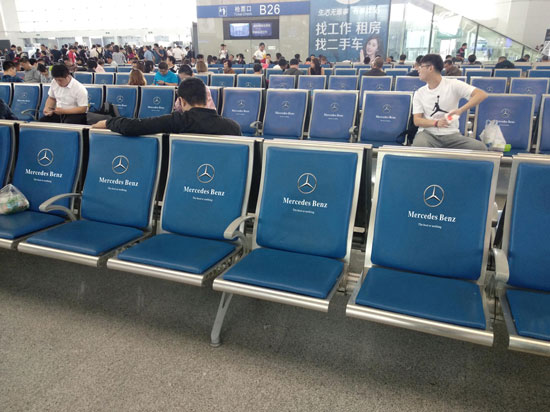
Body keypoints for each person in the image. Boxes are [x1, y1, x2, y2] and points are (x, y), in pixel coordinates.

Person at [92, 77, 240, 136]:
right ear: (206, 98)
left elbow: (134, 126)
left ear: (182, 101)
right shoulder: (232, 127)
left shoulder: (176, 122)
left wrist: (108, 122)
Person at [412, 54, 487, 150]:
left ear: (430, 68)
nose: (418, 70)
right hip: (428, 134)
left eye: (421, 67)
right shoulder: (420, 93)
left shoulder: (453, 84)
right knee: (419, 147)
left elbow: (481, 94)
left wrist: (461, 110)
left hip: (451, 135)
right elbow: (417, 120)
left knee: (480, 148)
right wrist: (436, 123)